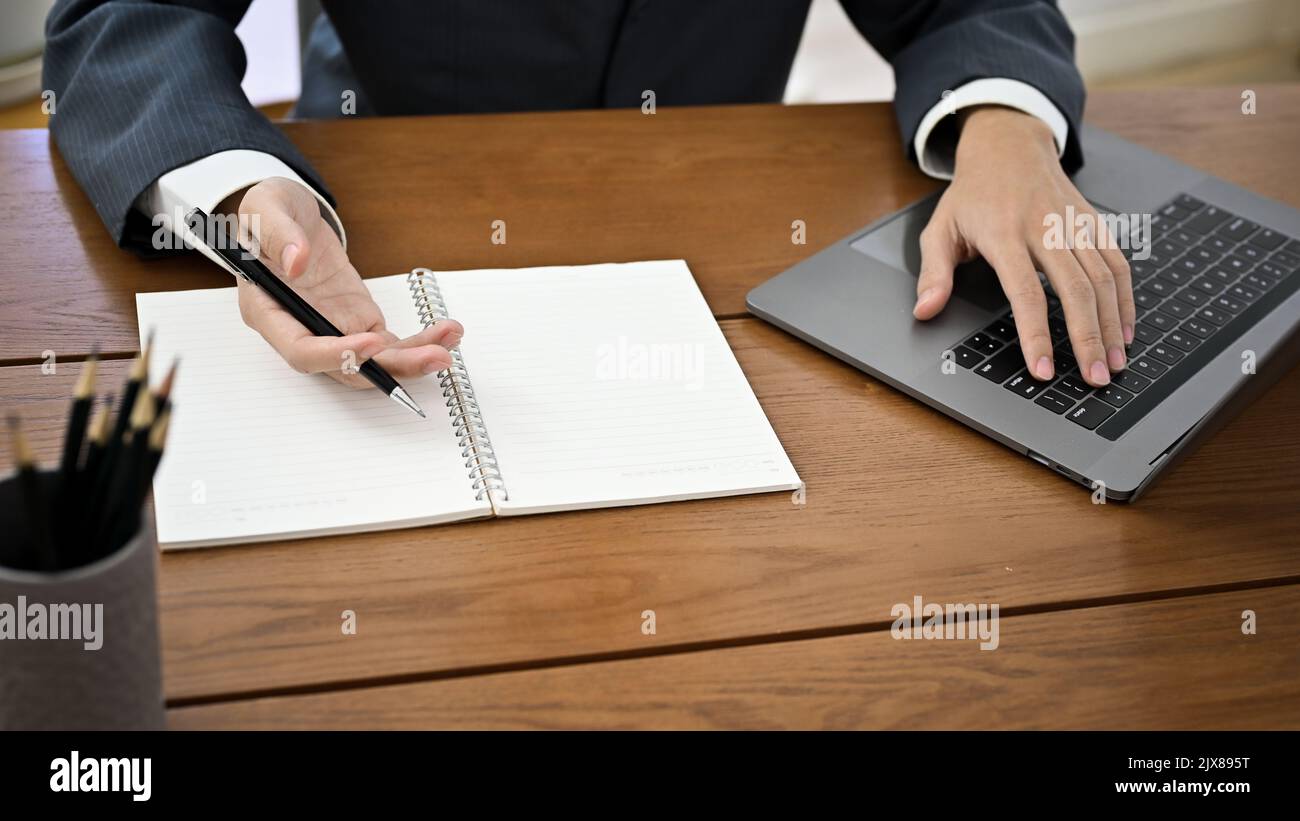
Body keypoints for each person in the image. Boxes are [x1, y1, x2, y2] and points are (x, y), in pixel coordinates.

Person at [43, 0, 1133, 390]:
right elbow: (121, 19)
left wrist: (1004, 125)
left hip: (724, 268)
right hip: (385, 229)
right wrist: (237, 197)